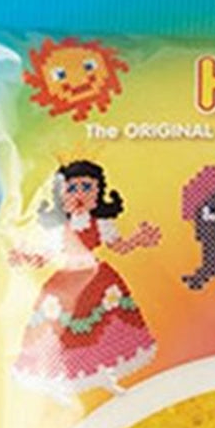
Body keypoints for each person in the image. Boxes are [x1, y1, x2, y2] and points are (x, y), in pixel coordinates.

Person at [11, 159, 159, 397]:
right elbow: (47, 255)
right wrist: (25, 257)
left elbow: (119, 246)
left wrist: (139, 239)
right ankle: (64, 378)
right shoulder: (59, 229)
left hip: (99, 281)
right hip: (67, 283)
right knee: (63, 331)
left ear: (98, 191)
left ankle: (105, 374)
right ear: (60, 195)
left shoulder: (101, 224)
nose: (79, 194)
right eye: (72, 188)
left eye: (87, 187)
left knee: (107, 328)